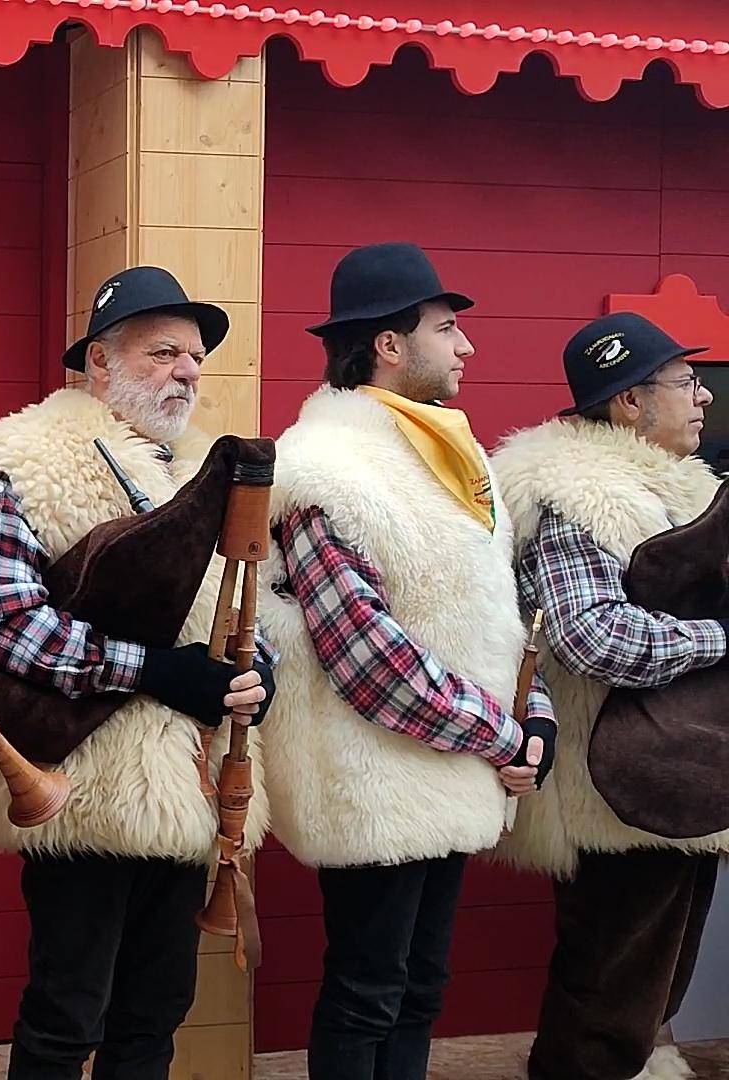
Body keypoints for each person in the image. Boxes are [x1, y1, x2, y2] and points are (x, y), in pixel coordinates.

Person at [0, 265, 273, 1080]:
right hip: (78, 785)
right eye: (163, 353)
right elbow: (5, 625)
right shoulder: (24, 459)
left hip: (186, 785)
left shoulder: (201, 470)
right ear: (98, 364)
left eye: (193, 357)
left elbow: (243, 615)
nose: (187, 372)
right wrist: (154, 670)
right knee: (67, 1012)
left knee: (155, 1013)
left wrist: (250, 675)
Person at [254, 241, 554, 1080]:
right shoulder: (323, 468)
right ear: (389, 343)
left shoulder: (452, 459)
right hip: (378, 777)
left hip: (456, 765)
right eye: (447, 328)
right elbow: (364, 654)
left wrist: (535, 721)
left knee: (420, 988)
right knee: (367, 991)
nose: (466, 347)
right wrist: (501, 734)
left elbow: (498, 616)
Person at [491, 312, 728, 1080]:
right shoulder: (579, 496)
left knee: (647, 992)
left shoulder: (679, 487)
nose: (703, 398)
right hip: (615, 786)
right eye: (685, 382)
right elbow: (593, 636)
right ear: (629, 401)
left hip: (678, 773)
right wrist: (723, 636)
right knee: (607, 1002)